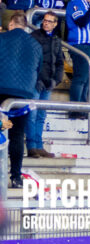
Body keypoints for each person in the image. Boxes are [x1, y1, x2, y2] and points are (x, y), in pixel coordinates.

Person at [0, 12, 41, 187]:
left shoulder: (2, 38)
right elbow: (38, 70)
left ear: (11, 24)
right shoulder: (36, 45)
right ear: (25, 26)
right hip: (23, 95)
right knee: (17, 136)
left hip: (1, 90)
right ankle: (15, 177)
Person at [27, 10, 61, 158]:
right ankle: (32, 146)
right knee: (32, 115)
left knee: (41, 116)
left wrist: (56, 80)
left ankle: (39, 146)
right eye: (45, 20)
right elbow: (30, 61)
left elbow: (60, 62)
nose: (46, 23)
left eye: (49, 21)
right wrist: (37, 79)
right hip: (36, 83)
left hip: (48, 84)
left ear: (55, 24)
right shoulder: (34, 37)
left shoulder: (56, 40)